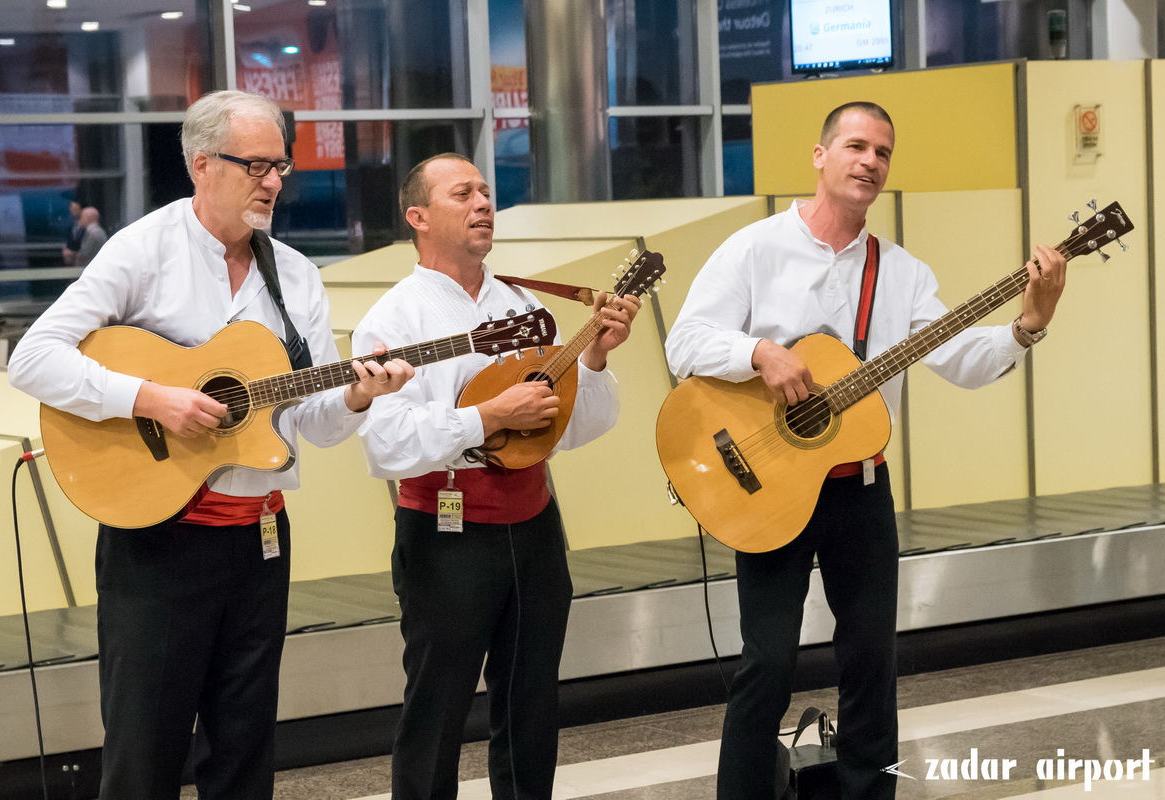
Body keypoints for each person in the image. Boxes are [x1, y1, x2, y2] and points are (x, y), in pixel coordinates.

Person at [8, 90, 413, 800]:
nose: (274, 182)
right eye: (256, 164)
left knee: (245, 747)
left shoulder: (295, 276)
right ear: (202, 164)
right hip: (159, 544)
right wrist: (150, 398)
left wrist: (356, 394)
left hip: (259, 544)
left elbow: (310, 424)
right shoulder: (142, 250)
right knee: (145, 753)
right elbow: (33, 358)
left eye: (281, 166)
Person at [664, 101, 1067, 800]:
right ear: (820, 156)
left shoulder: (901, 271)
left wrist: (1029, 324)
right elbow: (684, 343)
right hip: (767, 487)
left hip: (861, 489)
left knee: (872, 660)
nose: (869, 162)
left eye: (882, 153)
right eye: (855, 146)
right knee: (766, 662)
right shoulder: (754, 250)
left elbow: (961, 358)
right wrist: (759, 352)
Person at [351, 153, 640, 800]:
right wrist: (486, 417)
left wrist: (591, 358)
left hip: (536, 525)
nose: (484, 202)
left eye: (486, 191)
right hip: (444, 533)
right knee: (438, 708)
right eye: (464, 193)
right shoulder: (392, 319)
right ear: (417, 217)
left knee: (532, 704)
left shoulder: (526, 305)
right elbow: (387, 446)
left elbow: (579, 425)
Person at [62, 199, 84, 265]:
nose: (71, 211)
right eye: (71, 208)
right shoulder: (71, 226)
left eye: (74, 209)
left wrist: (73, 253)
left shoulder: (86, 227)